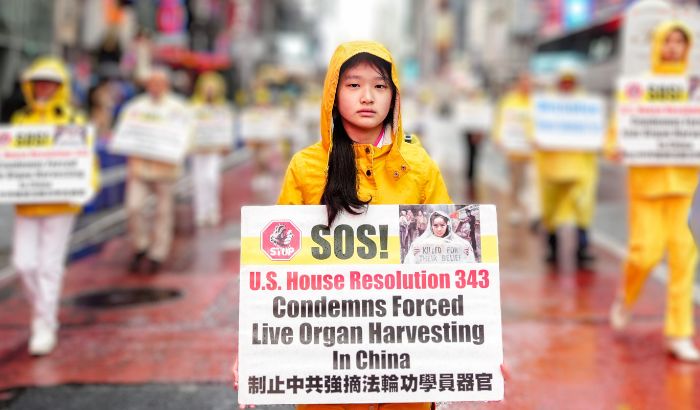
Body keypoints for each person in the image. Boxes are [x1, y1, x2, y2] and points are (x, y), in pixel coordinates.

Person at [234, 40, 452, 410]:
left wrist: (478, 347)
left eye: (379, 86)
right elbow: (275, 269)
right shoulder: (305, 167)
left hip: (406, 353)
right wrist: (254, 351)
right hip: (326, 361)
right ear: (333, 93)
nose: (367, 96)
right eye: (353, 85)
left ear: (394, 95)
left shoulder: (419, 165)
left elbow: (450, 261)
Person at [609, 21, 700, 361]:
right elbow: (616, 134)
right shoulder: (640, 87)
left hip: (687, 189)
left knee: (684, 261)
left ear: (687, 47)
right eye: (668, 41)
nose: (673, 47)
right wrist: (614, 147)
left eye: (680, 41)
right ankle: (626, 295)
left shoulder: (696, 89)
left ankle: (679, 334)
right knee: (644, 254)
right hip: (646, 188)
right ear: (658, 44)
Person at [11, 56, 99, 355]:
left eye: (50, 83)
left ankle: (44, 324)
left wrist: (86, 187)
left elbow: (89, 161)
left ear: (60, 86)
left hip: (62, 203)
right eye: (38, 83)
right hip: (28, 204)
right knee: (23, 264)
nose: (43, 88)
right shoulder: (20, 121)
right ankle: (44, 315)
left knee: (49, 265)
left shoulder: (73, 121)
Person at [121, 68, 190, 274]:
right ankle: (140, 245)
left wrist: (174, 150)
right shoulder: (136, 107)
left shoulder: (178, 108)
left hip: (165, 170)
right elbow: (125, 132)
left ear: (166, 85)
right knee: (134, 207)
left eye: (160, 82)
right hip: (140, 168)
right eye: (152, 82)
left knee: (163, 213)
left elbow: (187, 136)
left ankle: (157, 254)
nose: (156, 87)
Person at [534, 69, 598, 266]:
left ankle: (582, 248)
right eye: (564, 82)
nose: (567, 86)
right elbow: (533, 130)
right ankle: (552, 248)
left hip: (581, 169)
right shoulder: (546, 106)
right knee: (550, 211)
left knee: (583, 210)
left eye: (571, 82)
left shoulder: (587, 105)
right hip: (552, 169)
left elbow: (597, 133)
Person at [190, 71, 231, 227]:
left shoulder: (223, 108)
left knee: (211, 179)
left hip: (214, 150)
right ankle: (201, 212)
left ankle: (213, 210)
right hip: (198, 150)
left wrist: (226, 144)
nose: (209, 91)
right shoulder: (193, 107)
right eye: (207, 87)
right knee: (199, 181)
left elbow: (227, 128)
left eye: (212, 88)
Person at [404, 211, 476, 264]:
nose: (439, 229)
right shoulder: (422, 243)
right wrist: (413, 254)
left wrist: (465, 254)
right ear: (431, 227)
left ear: (447, 226)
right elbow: (410, 264)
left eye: (442, 225)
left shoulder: (458, 243)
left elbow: (469, 263)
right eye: (435, 225)